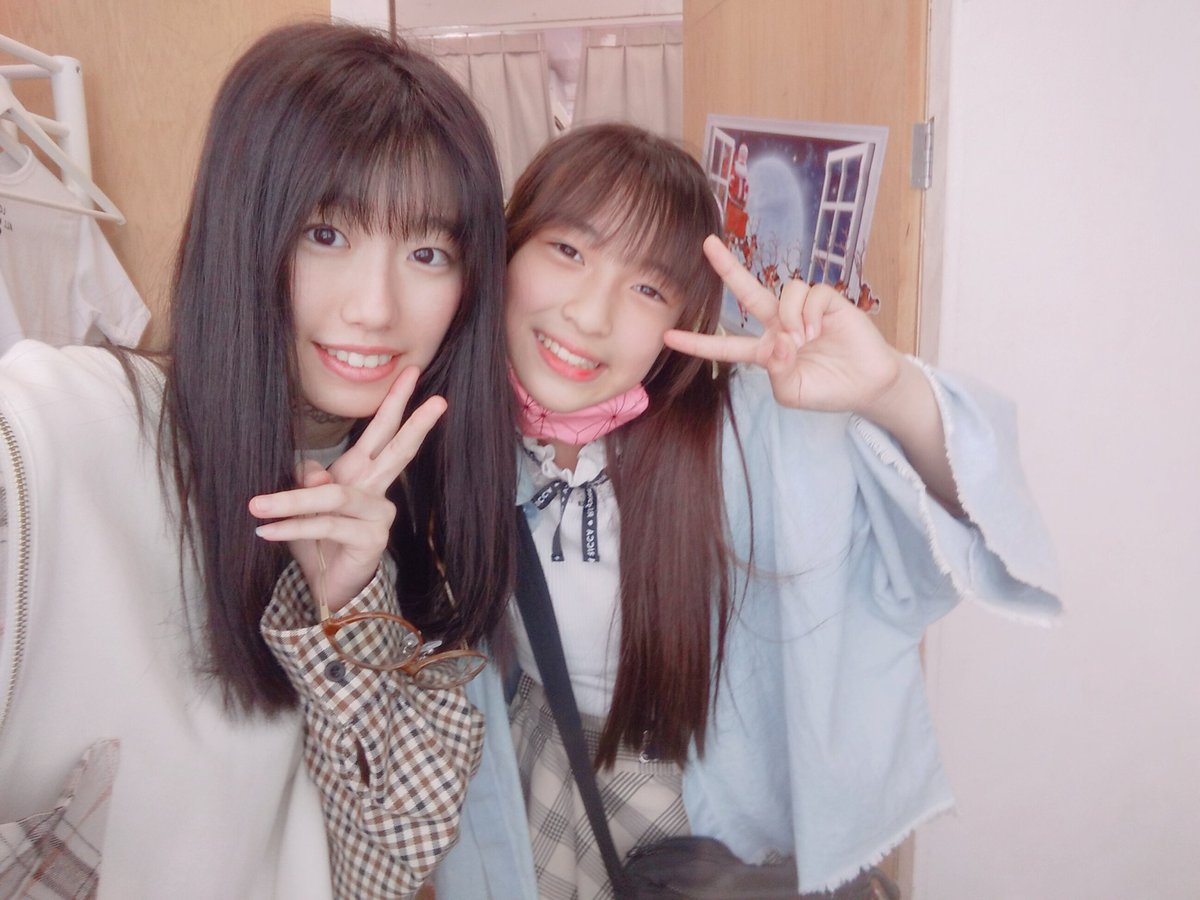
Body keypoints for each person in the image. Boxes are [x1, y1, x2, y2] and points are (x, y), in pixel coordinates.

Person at [430, 123, 1062, 899]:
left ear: (687, 315)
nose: (590, 316)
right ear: (507, 248)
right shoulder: (457, 422)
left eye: (647, 287)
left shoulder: (751, 425)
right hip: (541, 774)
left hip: (709, 814)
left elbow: (943, 547)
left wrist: (888, 391)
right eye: (568, 250)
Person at [0, 21, 514, 899]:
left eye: (427, 253)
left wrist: (350, 607)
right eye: (326, 234)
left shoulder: (417, 501)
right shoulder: (61, 431)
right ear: (243, 226)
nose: (375, 307)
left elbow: (384, 870)